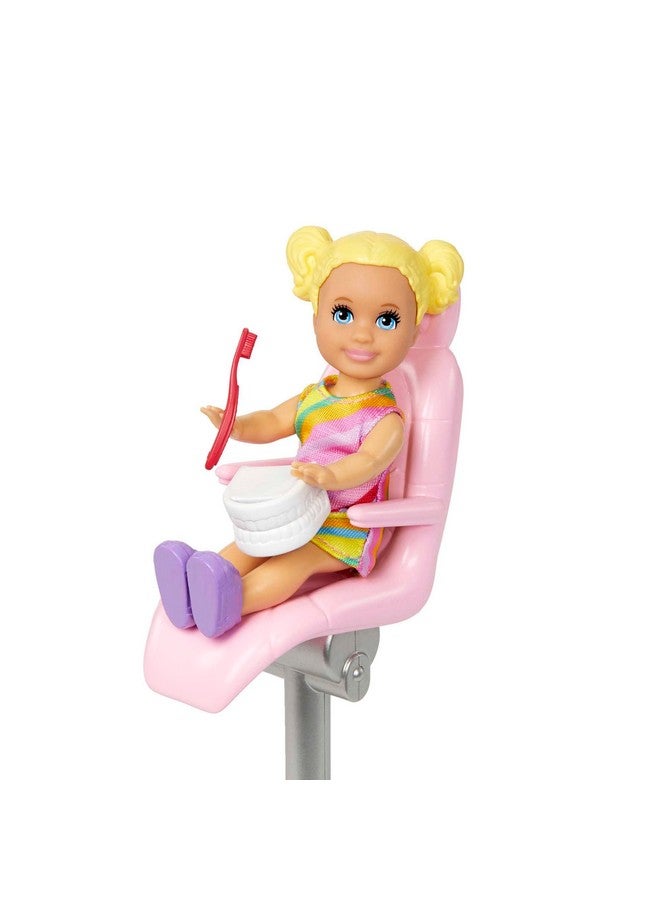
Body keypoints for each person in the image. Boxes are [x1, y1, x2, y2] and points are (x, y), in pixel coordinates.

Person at [154, 226, 463, 638]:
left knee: (293, 562)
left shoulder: (385, 418)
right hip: (301, 512)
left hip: (345, 528)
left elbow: (370, 461)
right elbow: (271, 421)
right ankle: (193, 591)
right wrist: (236, 425)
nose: (362, 334)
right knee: (247, 547)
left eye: (387, 320)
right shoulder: (314, 397)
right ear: (316, 316)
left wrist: (331, 475)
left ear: (414, 331)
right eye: (343, 314)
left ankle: (230, 603)